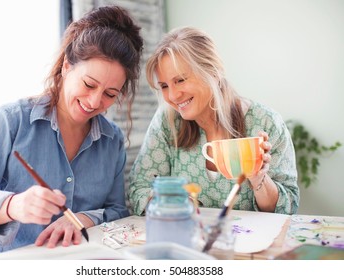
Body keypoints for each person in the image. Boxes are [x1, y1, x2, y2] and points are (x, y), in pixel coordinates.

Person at [0, 5, 143, 259]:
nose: (95, 101)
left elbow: (117, 211)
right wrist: (12, 206)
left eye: (110, 94)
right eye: (89, 84)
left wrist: (81, 219)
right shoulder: (12, 121)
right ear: (67, 66)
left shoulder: (112, 140)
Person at [128, 27, 299, 216]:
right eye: (165, 86)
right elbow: (139, 190)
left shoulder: (266, 123)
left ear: (214, 72)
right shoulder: (167, 121)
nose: (173, 95)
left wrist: (259, 180)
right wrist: (174, 203)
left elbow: (288, 207)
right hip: (187, 238)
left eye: (181, 80)